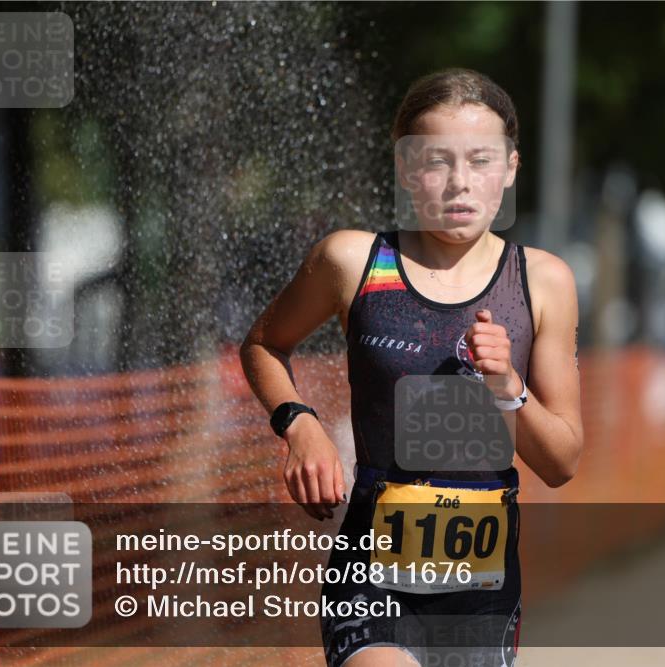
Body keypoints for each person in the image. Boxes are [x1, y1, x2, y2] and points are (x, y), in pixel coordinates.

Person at [240, 68, 583, 667]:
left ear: (510, 168)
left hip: (482, 591)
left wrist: (508, 389)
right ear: (403, 168)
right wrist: (299, 423)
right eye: (435, 161)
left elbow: (562, 461)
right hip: (371, 572)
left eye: (480, 161)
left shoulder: (543, 281)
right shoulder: (352, 260)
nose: (459, 183)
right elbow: (264, 345)